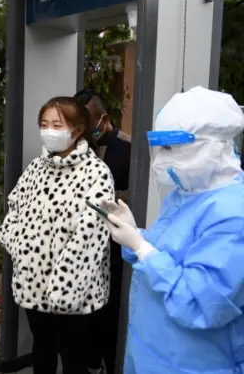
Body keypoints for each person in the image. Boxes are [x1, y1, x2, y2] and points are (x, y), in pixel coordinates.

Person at [98, 86, 244, 374]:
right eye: (160, 147)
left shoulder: (232, 216)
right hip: (151, 352)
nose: (163, 160)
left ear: (214, 146)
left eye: (173, 148)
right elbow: (167, 256)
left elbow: (202, 305)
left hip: (192, 363)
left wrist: (142, 248)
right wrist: (135, 233)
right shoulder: (186, 194)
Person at [0, 96, 115, 374]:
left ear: (76, 131)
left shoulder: (96, 172)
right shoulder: (36, 168)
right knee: (43, 352)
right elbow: (14, 210)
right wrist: (21, 249)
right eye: (44, 124)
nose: (49, 130)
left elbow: (91, 235)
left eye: (56, 124)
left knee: (75, 358)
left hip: (75, 292)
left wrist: (64, 289)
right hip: (33, 284)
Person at [74, 89, 131, 374]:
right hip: (83, 254)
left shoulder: (128, 149)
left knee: (111, 319)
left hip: (115, 253)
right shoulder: (78, 150)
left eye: (87, 123)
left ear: (103, 119)